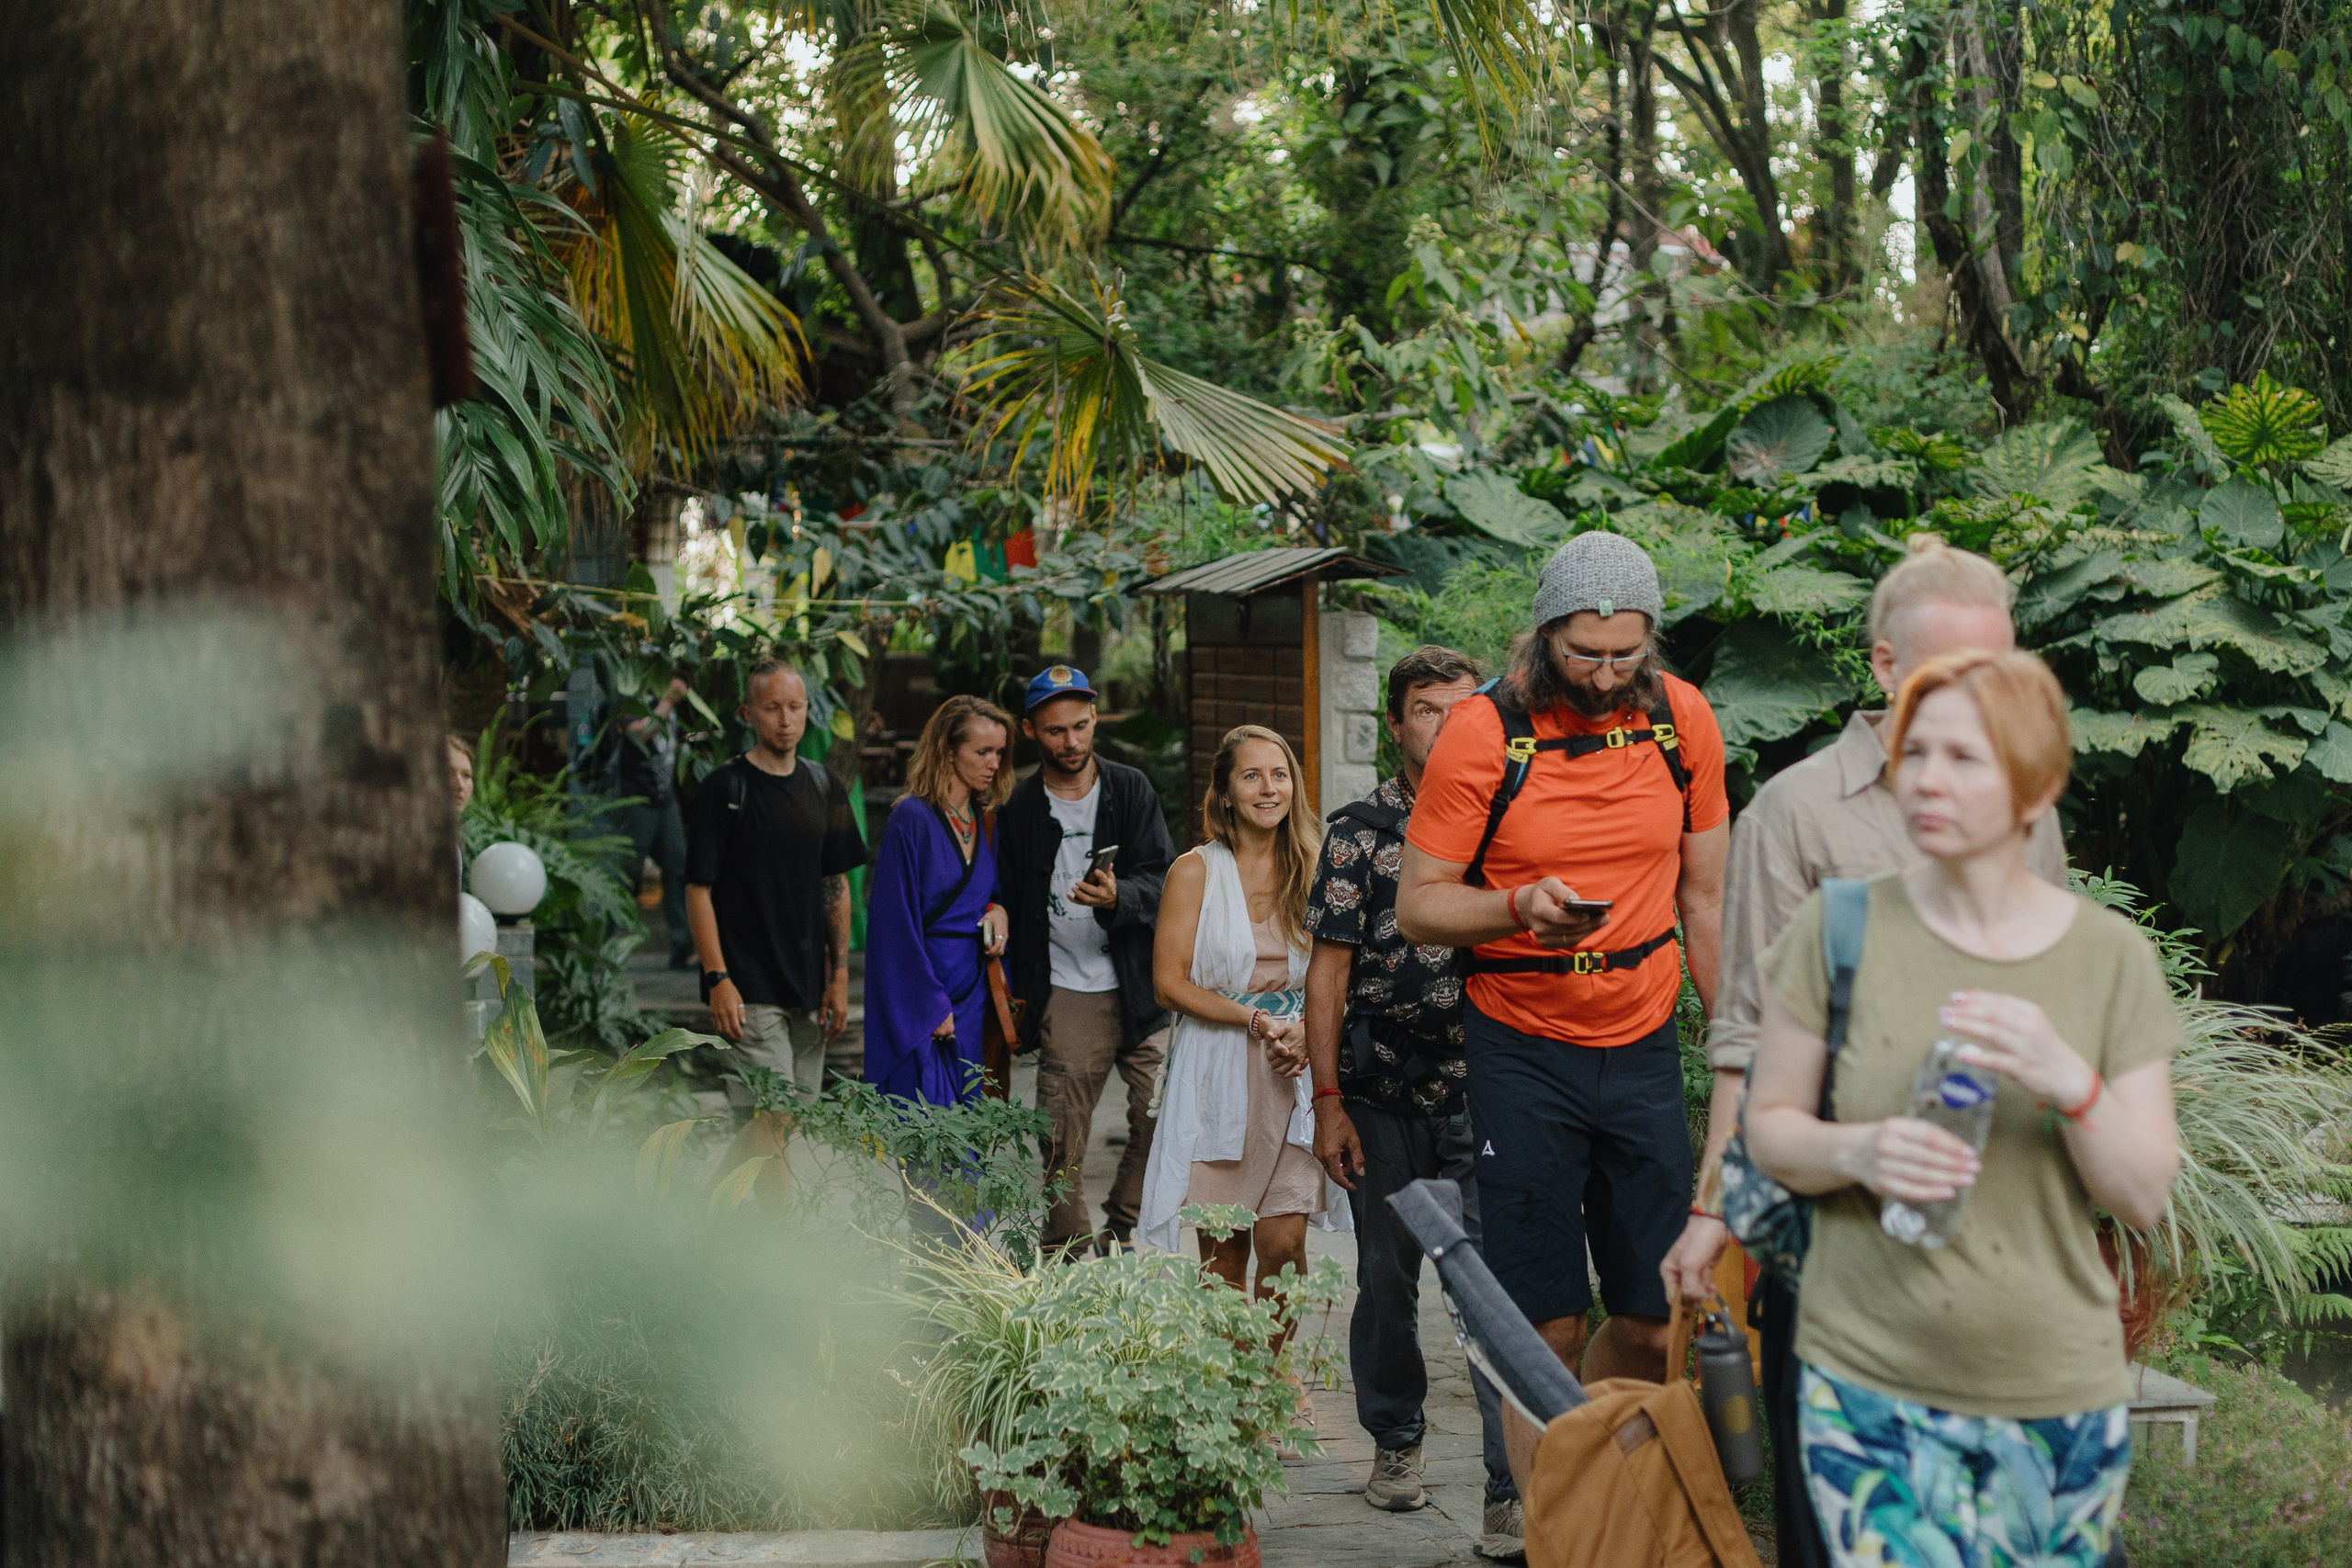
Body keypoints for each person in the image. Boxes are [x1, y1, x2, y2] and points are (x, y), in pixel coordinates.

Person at [1660, 535, 2068, 1568]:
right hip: (1838, 1239)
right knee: (1839, 1530)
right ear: (1886, 666)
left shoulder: (2031, 809)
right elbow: (1746, 1040)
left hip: (1994, 1234)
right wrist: (1713, 1209)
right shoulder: (1796, 814)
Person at [1744, 649, 2179, 1568]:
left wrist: (2069, 1081)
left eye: (1964, 759)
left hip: (2053, 1389)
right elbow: (1769, 1129)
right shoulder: (1839, 927)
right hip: (1865, 1381)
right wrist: (1863, 1149)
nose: (1925, 781)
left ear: (2035, 789)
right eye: (1916, 753)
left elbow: (2141, 1195)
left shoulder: (2107, 959)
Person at [1395, 529, 1729, 1386]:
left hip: (1643, 1039)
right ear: (1544, 635)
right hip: (1522, 1047)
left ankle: (1599, 1466)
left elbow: (1706, 898)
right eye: (1585, 654)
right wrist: (1515, 905)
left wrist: (1735, 1041)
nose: (1608, 674)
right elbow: (1419, 905)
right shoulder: (1482, 732)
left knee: (1659, 1327)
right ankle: (1550, 1513)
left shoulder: (1681, 719)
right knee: (1547, 1326)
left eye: (1627, 654)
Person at [1304, 647, 1526, 1560]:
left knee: (1492, 1296)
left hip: (1491, 1094)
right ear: (1394, 725)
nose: (1443, 725)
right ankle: (1395, 1442)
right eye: (1425, 711)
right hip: (1383, 1093)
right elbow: (1327, 974)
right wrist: (1327, 1102)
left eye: (1459, 708)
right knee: (1386, 1284)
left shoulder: (1509, 822)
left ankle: (1508, 1489)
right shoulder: (1359, 835)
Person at [1138, 725, 1350, 1295]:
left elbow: (1345, 969)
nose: (1268, 788)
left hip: (1298, 1066)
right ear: (1225, 791)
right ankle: (1231, 1384)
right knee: (1224, 1256)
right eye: (1251, 775)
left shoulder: (1319, 863)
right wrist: (1256, 1021)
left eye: (1279, 775)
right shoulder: (1195, 870)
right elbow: (1168, 984)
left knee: (1284, 1246)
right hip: (1220, 1067)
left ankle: (1276, 1380)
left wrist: (1308, 1030)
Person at [1001, 664, 1176, 1257]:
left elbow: (1165, 878)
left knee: (1164, 1112)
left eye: (1080, 726)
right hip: (1067, 989)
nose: (1071, 742)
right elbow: (1001, 892)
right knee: (1060, 1135)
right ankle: (1068, 1250)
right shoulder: (1019, 807)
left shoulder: (1130, 789)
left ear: (1095, 719)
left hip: (1139, 984)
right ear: (1030, 731)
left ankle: (1121, 1225)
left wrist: (1119, 896)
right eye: (1054, 731)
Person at [685, 660, 866, 1096]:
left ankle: (717, 1171)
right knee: (776, 1115)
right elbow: (698, 890)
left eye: (795, 707)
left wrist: (839, 979)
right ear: (747, 714)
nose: (785, 720)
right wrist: (717, 979)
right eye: (771, 708)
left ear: (808, 711)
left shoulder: (825, 786)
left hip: (808, 985)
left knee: (784, 1123)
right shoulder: (723, 789)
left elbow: (835, 885)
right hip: (747, 986)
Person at [864, 695, 1013, 1105]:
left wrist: (997, 910)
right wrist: (927, 1005)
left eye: (999, 752)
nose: (994, 763)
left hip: (973, 993)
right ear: (948, 752)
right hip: (923, 993)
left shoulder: (985, 818)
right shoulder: (910, 818)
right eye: (982, 751)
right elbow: (893, 927)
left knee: (971, 1132)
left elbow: (989, 893)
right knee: (929, 1137)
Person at [610, 675, 696, 968]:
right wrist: (669, 701)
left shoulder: (671, 702)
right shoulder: (632, 694)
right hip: (638, 799)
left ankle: (682, 945)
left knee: (679, 865)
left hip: (665, 799)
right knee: (627, 872)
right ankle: (603, 941)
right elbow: (638, 733)